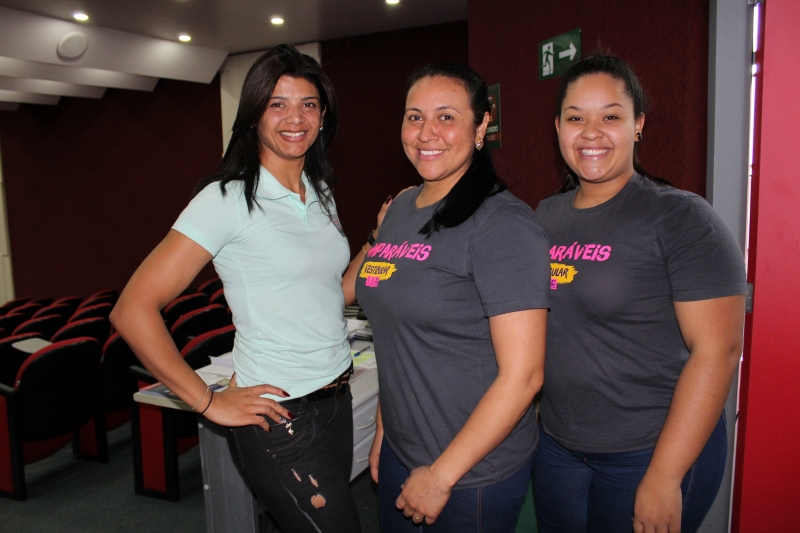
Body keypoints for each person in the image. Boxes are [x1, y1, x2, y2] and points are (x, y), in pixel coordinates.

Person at [110, 44, 362, 533]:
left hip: (336, 397)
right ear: (253, 115)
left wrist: (376, 239)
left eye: (308, 104)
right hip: (280, 415)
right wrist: (207, 402)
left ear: (323, 116)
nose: (295, 118)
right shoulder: (226, 199)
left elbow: (330, 294)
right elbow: (132, 309)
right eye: (277, 104)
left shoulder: (319, 190)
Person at [532, 53, 746, 533]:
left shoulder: (681, 218)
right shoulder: (545, 216)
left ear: (638, 125)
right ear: (558, 128)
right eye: (575, 118)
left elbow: (718, 350)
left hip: (651, 450)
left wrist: (665, 476)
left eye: (611, 117)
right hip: (560, 444)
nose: (591, 133)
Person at [342, 62, 551, 532]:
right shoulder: (400, 208)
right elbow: (398, 335)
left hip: (469, 472)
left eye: (447, 117)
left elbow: (524, 376)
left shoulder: (503, 225)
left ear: (481, 126)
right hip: (402, 448)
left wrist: (441, 475)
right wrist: (385, 429)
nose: (426, 132)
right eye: (414, 116)